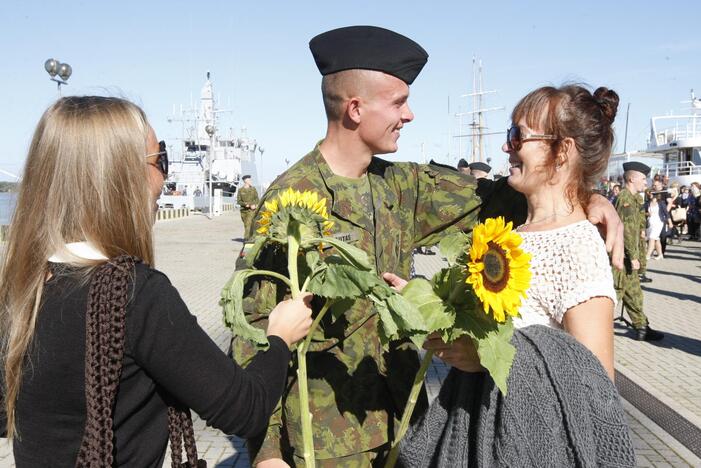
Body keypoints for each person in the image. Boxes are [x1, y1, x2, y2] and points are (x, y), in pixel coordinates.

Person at [233, 27, 625, 467]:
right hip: (324, 444)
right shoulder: (290, 199)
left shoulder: (403, 187)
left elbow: (510, 194)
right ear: (356, 108)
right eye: (399, 102)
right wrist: (265, 453)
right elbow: (253, 331)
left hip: (409, 433)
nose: (411, 114)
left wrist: (591, 197)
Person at [0, 96, 313, 467]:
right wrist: (280, 338)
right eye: (159, 160)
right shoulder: (133, 294)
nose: (164, 177)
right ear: (120, 178)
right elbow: (244, 409)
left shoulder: (22, 285)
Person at [400, 84, 636, 467]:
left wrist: (490, 357)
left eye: (517, 136)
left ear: (563, 151)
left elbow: (594, 385)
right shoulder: (510, 232)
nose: (507, 147)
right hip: (481, 431)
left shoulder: (576, 246)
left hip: (530, 448)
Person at [616, 163, 664, 341]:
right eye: (643, 178)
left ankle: (642, 327)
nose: (646, 182)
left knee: (634, 293)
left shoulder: (634, 199)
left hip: (628, 257)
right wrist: (633, 257)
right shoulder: (625, 199)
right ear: (631, 179)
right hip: (622, 257)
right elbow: (626, 231)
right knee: (615, 293)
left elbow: (636, 228)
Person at [237, 175, 260, 240]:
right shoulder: (240, 190)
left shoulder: (253, 189)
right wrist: (245, 204)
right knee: (246, 225)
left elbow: (257, 199)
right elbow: (239, 201)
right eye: (249, 180)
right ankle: (251, 237)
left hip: (251, 210)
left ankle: (246, 239)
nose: (250, 181)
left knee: (248, 223)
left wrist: (254, 205)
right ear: (245, 181)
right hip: (243, 211)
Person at [645, 188, 665, 259]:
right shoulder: (647, 203)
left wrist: (670, 222)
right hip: (650, 222)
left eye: (651, 193)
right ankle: (660, 254)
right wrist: (647, 213)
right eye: (649, 193)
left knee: (652, 238)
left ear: (655, 195)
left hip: (658, 222)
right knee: (656, 239)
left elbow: (666, 213)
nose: (649, 194)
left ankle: (648, 255)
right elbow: (642, 212)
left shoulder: (661, 203)